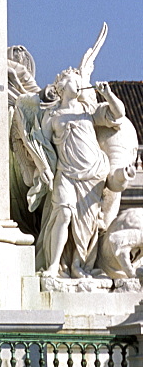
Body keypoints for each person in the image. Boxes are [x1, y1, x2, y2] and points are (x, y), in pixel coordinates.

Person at [38, 72, 129, 278]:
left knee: (86, 226)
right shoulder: (51, 116)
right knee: (64, 213)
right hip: (66, 174)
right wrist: (42, 169)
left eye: (79, 81)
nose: (78, 84)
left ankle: (77, 265)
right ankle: (53, 266)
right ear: (60, 86)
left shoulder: (88, 110)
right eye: (73, 80)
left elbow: (118, 114)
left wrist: (108, 95)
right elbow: (41, 148)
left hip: (93, 174)